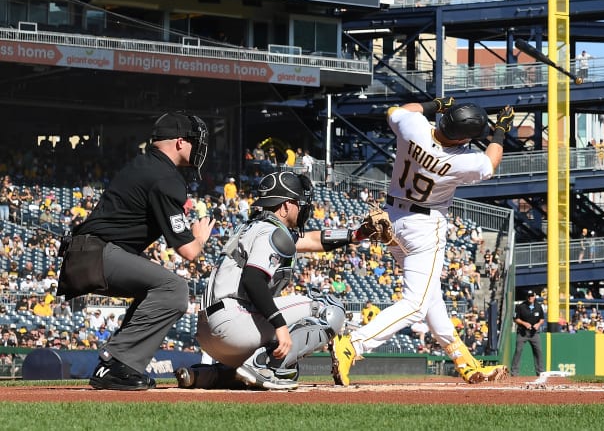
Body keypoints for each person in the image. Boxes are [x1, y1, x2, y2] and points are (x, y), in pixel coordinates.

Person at [330, 97, 513, 386]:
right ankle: (354, 343)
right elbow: (490, 162)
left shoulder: (414, 125)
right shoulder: (459, 160)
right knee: (416, 303)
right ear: (464, 137)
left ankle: (465, 363)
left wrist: (437, 104)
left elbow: (397, 111)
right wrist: (500, 131)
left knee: (430, 297)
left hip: (392, 219)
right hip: (424, 226)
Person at [57, 112, 213, 391]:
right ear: (179, 142)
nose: (198, 148)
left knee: (154, 289)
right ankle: (117, 363)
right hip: (95, 253)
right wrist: (200, 238)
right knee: (174, 289)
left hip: (89, 252)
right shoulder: (165, 177)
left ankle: (116, 366)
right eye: (194, 141)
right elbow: (188, 251)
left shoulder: (145, 164)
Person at [174, 171, 370, 390]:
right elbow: (253, 279)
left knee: (287, 371)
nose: (302, 207)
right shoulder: (272, 232)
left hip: (210, 332)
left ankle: (209, 375)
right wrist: (280, 325)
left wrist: (357, 235)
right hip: (234, 324)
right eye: (298, 202)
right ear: (285, 207)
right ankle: (261, 366)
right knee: (330, 309)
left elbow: (313, 240)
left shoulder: (253, 228)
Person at [511, 290, 545, 376]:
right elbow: (515, 319)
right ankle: (514, 372)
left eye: (532, 296)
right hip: (522, 333)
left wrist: (538, 324)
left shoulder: (538, 306)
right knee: (518, 351)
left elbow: (542, 318)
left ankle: (540, 372)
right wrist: (524, 323)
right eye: (529, 296)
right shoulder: (520, 306)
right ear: (526, 297)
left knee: (538, 351)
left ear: (534, 296)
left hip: (534, 333)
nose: (530, 297)